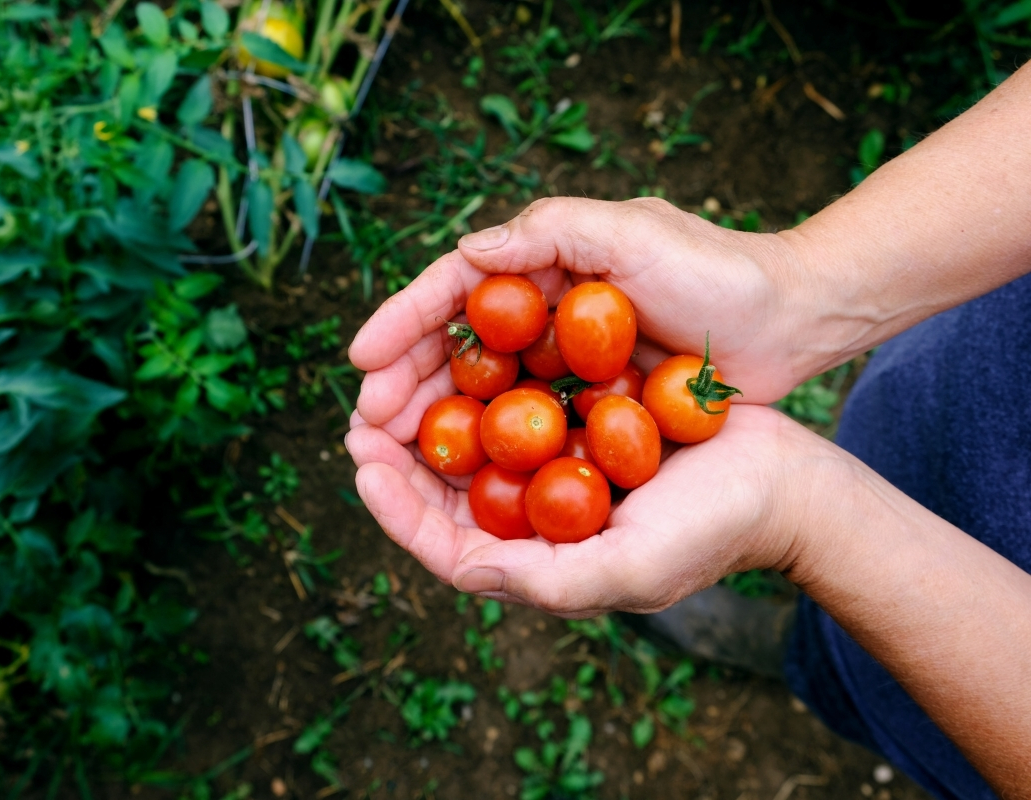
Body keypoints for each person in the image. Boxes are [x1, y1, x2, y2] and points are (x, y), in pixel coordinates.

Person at [343, 61, 1031, 799]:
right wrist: (798, 287)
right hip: (987, 359)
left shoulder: (603, 410)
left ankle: (824, 661)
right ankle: (815, 643)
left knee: (899, 691)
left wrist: (810, 516)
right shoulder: (595, 399)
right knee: (906, 432)